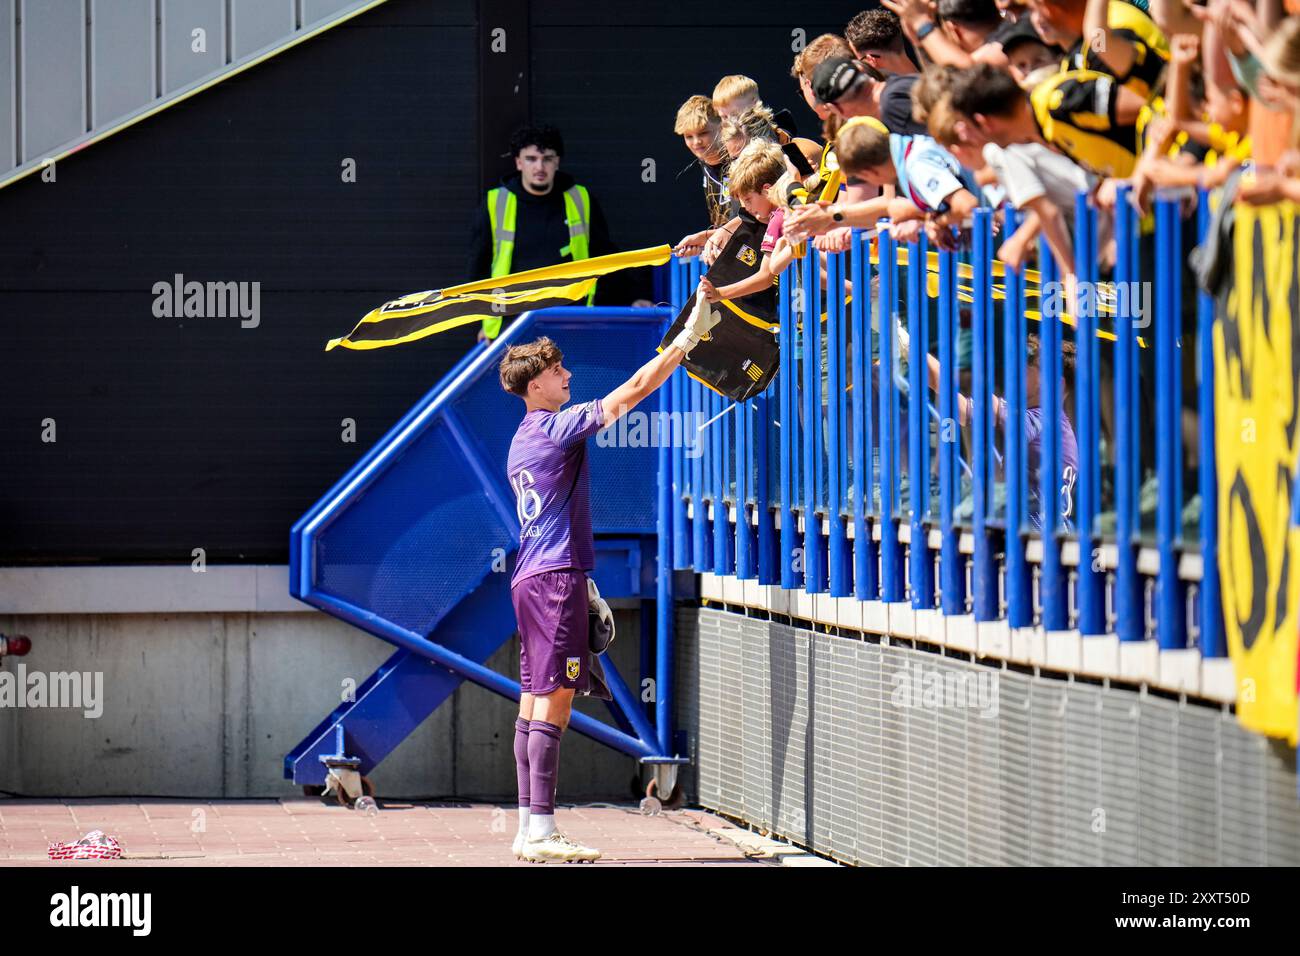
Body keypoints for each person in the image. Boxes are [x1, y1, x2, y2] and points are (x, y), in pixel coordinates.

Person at [500, 301, 720, 864]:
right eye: (556, 371)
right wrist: (685, 342)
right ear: (534, 386)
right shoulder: (554, 428)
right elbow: (631, 394)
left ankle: (530, 828)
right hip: (553, 581)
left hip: (532, 578)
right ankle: (544, 832)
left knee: (531, 703)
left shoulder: (521, 439)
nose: (567, 375)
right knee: (555, 703)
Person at [467, 125, 616, 341]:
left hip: (572, 321)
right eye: (531, 159)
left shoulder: (580, 198)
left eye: (547, 158)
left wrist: (634, 297)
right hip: (512, 324)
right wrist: (481, 325)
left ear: (557, 162)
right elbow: (477, 268)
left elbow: (606, 256)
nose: (540, 166)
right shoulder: (495, 202)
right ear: (518, 162)